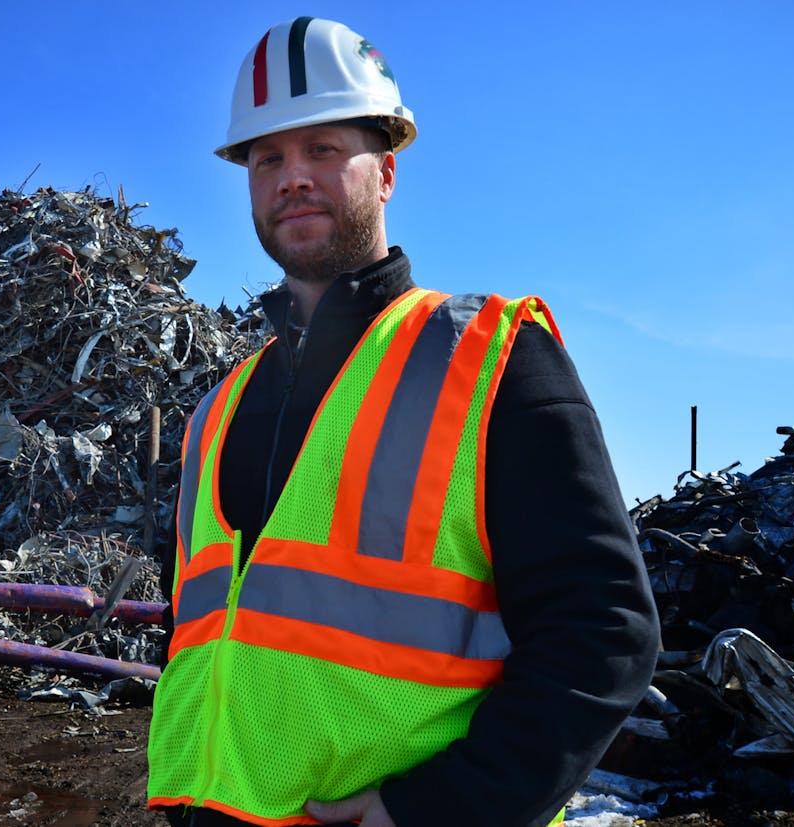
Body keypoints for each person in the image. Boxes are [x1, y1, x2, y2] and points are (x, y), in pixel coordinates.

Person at [146, 17, 660, 827]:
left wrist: (431, 811)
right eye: (268, 156)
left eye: (323, 148)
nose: (292, 178)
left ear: (386, 173)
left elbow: (604, 632)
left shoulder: (489, 359)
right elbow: (203, 629)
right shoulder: (218, 409)